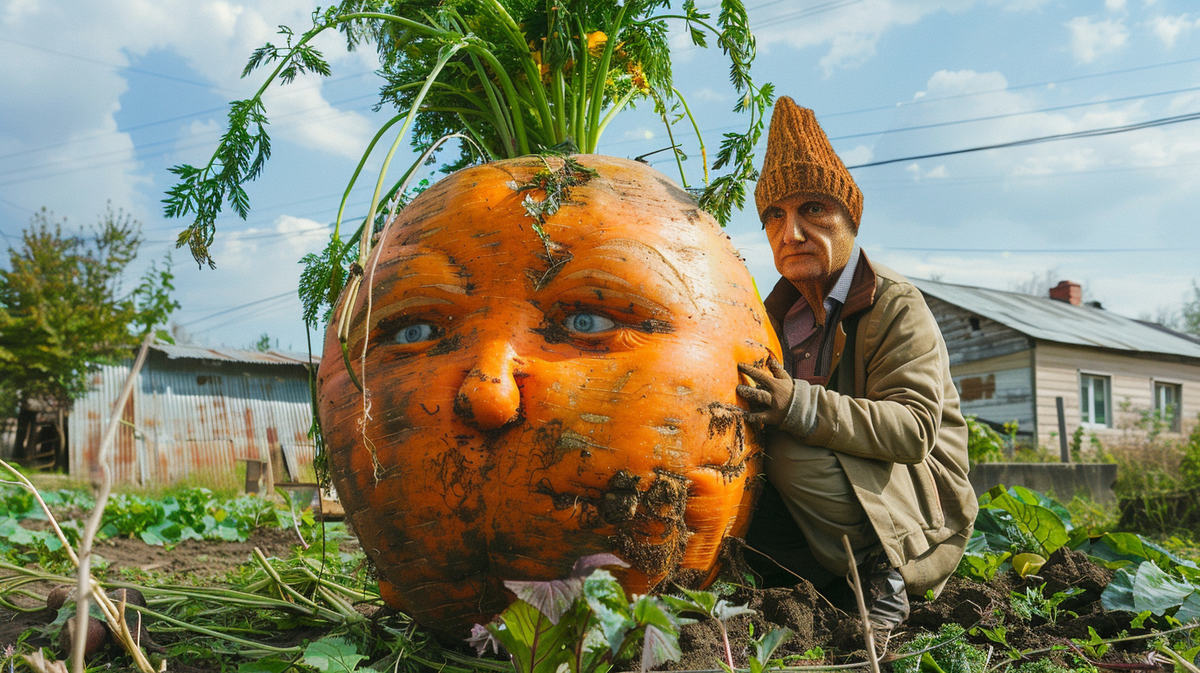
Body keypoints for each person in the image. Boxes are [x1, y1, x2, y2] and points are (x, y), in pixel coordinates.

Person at [735, 97, 978, 651]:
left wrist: (796, 405)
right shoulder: (767, 318)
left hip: (920, 502)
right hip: (836, 491)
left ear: (850, 219)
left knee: (787, 446)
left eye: (812, 210)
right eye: (775, 215)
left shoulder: (895, 304)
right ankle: (804, 576)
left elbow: (914, 430)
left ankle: (881, 574)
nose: (790, 232)